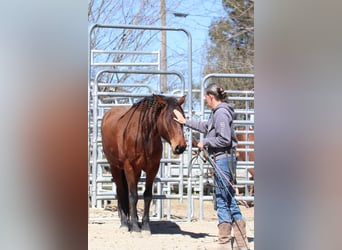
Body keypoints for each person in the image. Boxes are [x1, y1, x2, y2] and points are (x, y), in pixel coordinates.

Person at [173, 83, 248, 250]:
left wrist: (205, 142)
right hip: (224, 159)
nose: (205, 100)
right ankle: (241, 243)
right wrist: (185, 122)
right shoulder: (218, 113)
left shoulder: (221, 113)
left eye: (206, 97)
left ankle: (224, 243)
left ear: (211, 97)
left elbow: (224, 139)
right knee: (229, 199)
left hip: (222, 160)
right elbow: (206, 127)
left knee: (222, 200)